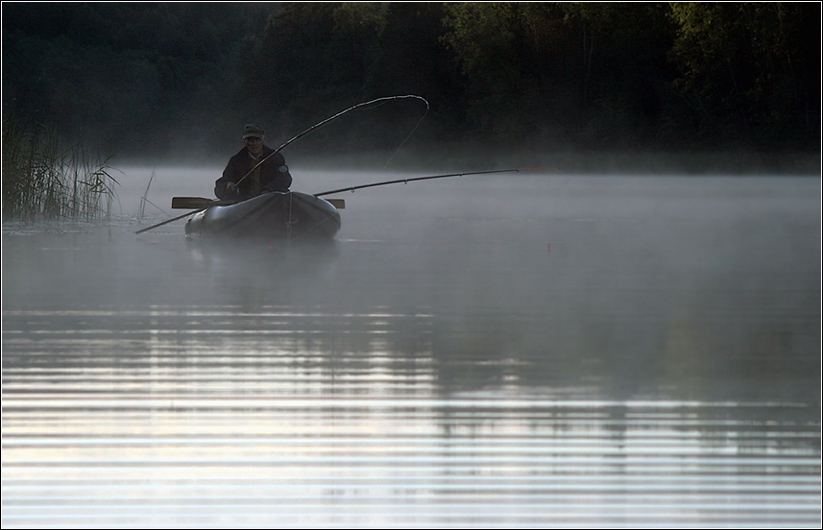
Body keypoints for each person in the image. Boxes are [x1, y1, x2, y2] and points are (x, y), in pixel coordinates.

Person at [214, 124, 292, 201]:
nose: (254, 143)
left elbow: (284, 179)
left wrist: (269, 189)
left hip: (270, 200)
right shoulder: (235, 161)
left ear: (263, 139)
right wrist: (227, 186)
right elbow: (220, 185)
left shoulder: (275, 158)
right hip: (245, 203)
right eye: (250, 140)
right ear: (244, 141)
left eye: (257, 139)